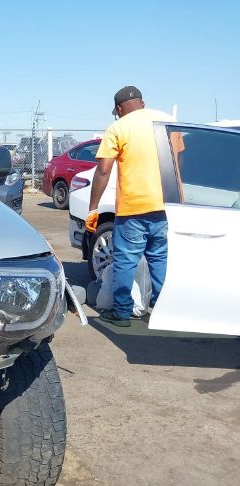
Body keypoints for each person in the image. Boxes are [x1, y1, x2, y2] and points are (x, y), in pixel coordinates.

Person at [89, 86, 173, 327]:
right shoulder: (167, 122)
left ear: (118, 109)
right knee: (159, 258)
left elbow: (103, 170)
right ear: (142, 103)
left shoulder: (118, 128)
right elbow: (181, 160)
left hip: (133, 209)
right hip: (165, 207)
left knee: (126, 261)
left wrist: (93, 208)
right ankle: (162, 308)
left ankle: (123, 312)